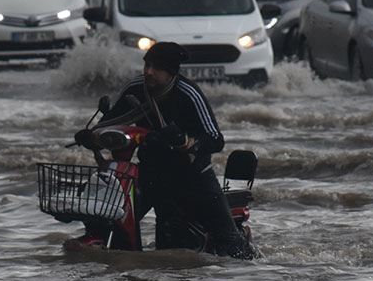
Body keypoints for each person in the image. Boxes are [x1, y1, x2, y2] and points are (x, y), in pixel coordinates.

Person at [80, 42, 254, 259]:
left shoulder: (188, 94)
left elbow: (215, 139)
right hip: (150, 174)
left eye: (156, 67)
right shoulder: (134, 89)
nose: (148, 72)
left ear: (171, 72)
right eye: (146, 65)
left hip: (193, 176)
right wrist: (91, 137)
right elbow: (109, 124)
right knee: (110, 216)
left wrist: (183, 139)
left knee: (232, 247)